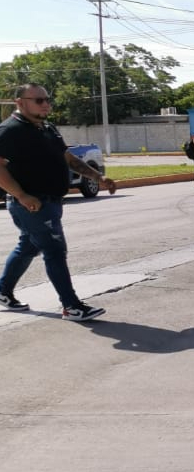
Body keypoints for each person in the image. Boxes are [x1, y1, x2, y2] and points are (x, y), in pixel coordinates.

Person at [0, 83, 116, 321]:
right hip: (33, 204)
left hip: (51, 201)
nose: (46, 104)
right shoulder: (9, 130)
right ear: (20, 102)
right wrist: (22, 195)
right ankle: (71, 306)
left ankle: (2, 291)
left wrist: (97, 177)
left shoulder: (47, 128)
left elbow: (68, 158)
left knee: (28, 247)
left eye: (47, 99)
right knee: (54, 251)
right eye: (39, 100)